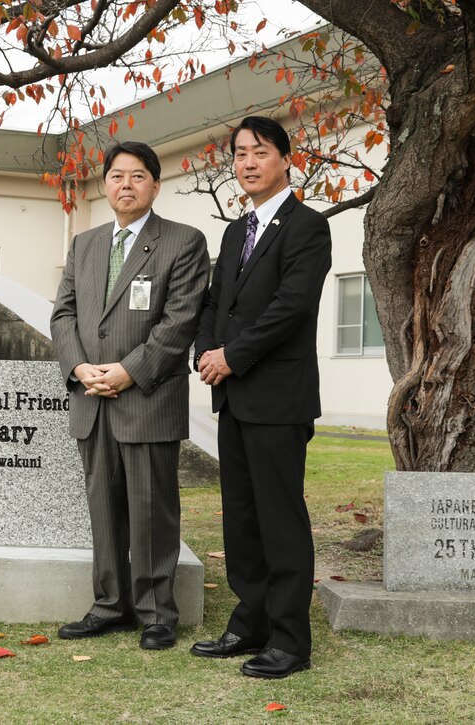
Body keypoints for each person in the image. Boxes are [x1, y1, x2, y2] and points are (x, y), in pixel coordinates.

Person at [51, 141, 209, 650]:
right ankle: (109, 605)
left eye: (137, 176)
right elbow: (64, 315)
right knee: (104, 510)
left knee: (150, 511)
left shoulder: (183, 242)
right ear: (105, 184)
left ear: (155, 186)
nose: (125, 184)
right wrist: (78, 367)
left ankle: (158, 613)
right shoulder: (86, 244)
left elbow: (179, 322)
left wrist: (127, 372)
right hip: (91, 399)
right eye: (117, 176)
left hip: (146, 397)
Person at [192, 116, 331, 679]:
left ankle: (290, 640)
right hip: (233, 395)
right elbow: (214, 300)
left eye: (261, 152)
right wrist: (205, 349)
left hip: (278, 397)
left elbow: (289, 308)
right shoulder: (235, 230)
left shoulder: (307, 227)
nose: (248, 163)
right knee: (242, 518)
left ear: (285, 160)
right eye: (241, 154)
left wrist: (232, 355)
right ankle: (248, 621)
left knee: (280, 518)